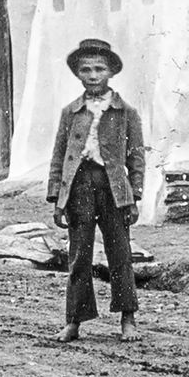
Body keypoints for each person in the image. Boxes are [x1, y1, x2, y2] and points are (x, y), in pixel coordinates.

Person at [46, 38, 144, 343]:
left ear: (111, 72)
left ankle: (128, 319)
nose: (92, 75)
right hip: (79, 188)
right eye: (86, 69)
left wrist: (135, 195)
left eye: (99, 69)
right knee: (79, 256)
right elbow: (59, 156)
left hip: (113, 188)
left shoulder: (125, 112)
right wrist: (57, 199)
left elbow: (137, 156)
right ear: (78, 73)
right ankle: (74, 321)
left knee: (120, 255)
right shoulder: (70, 112)